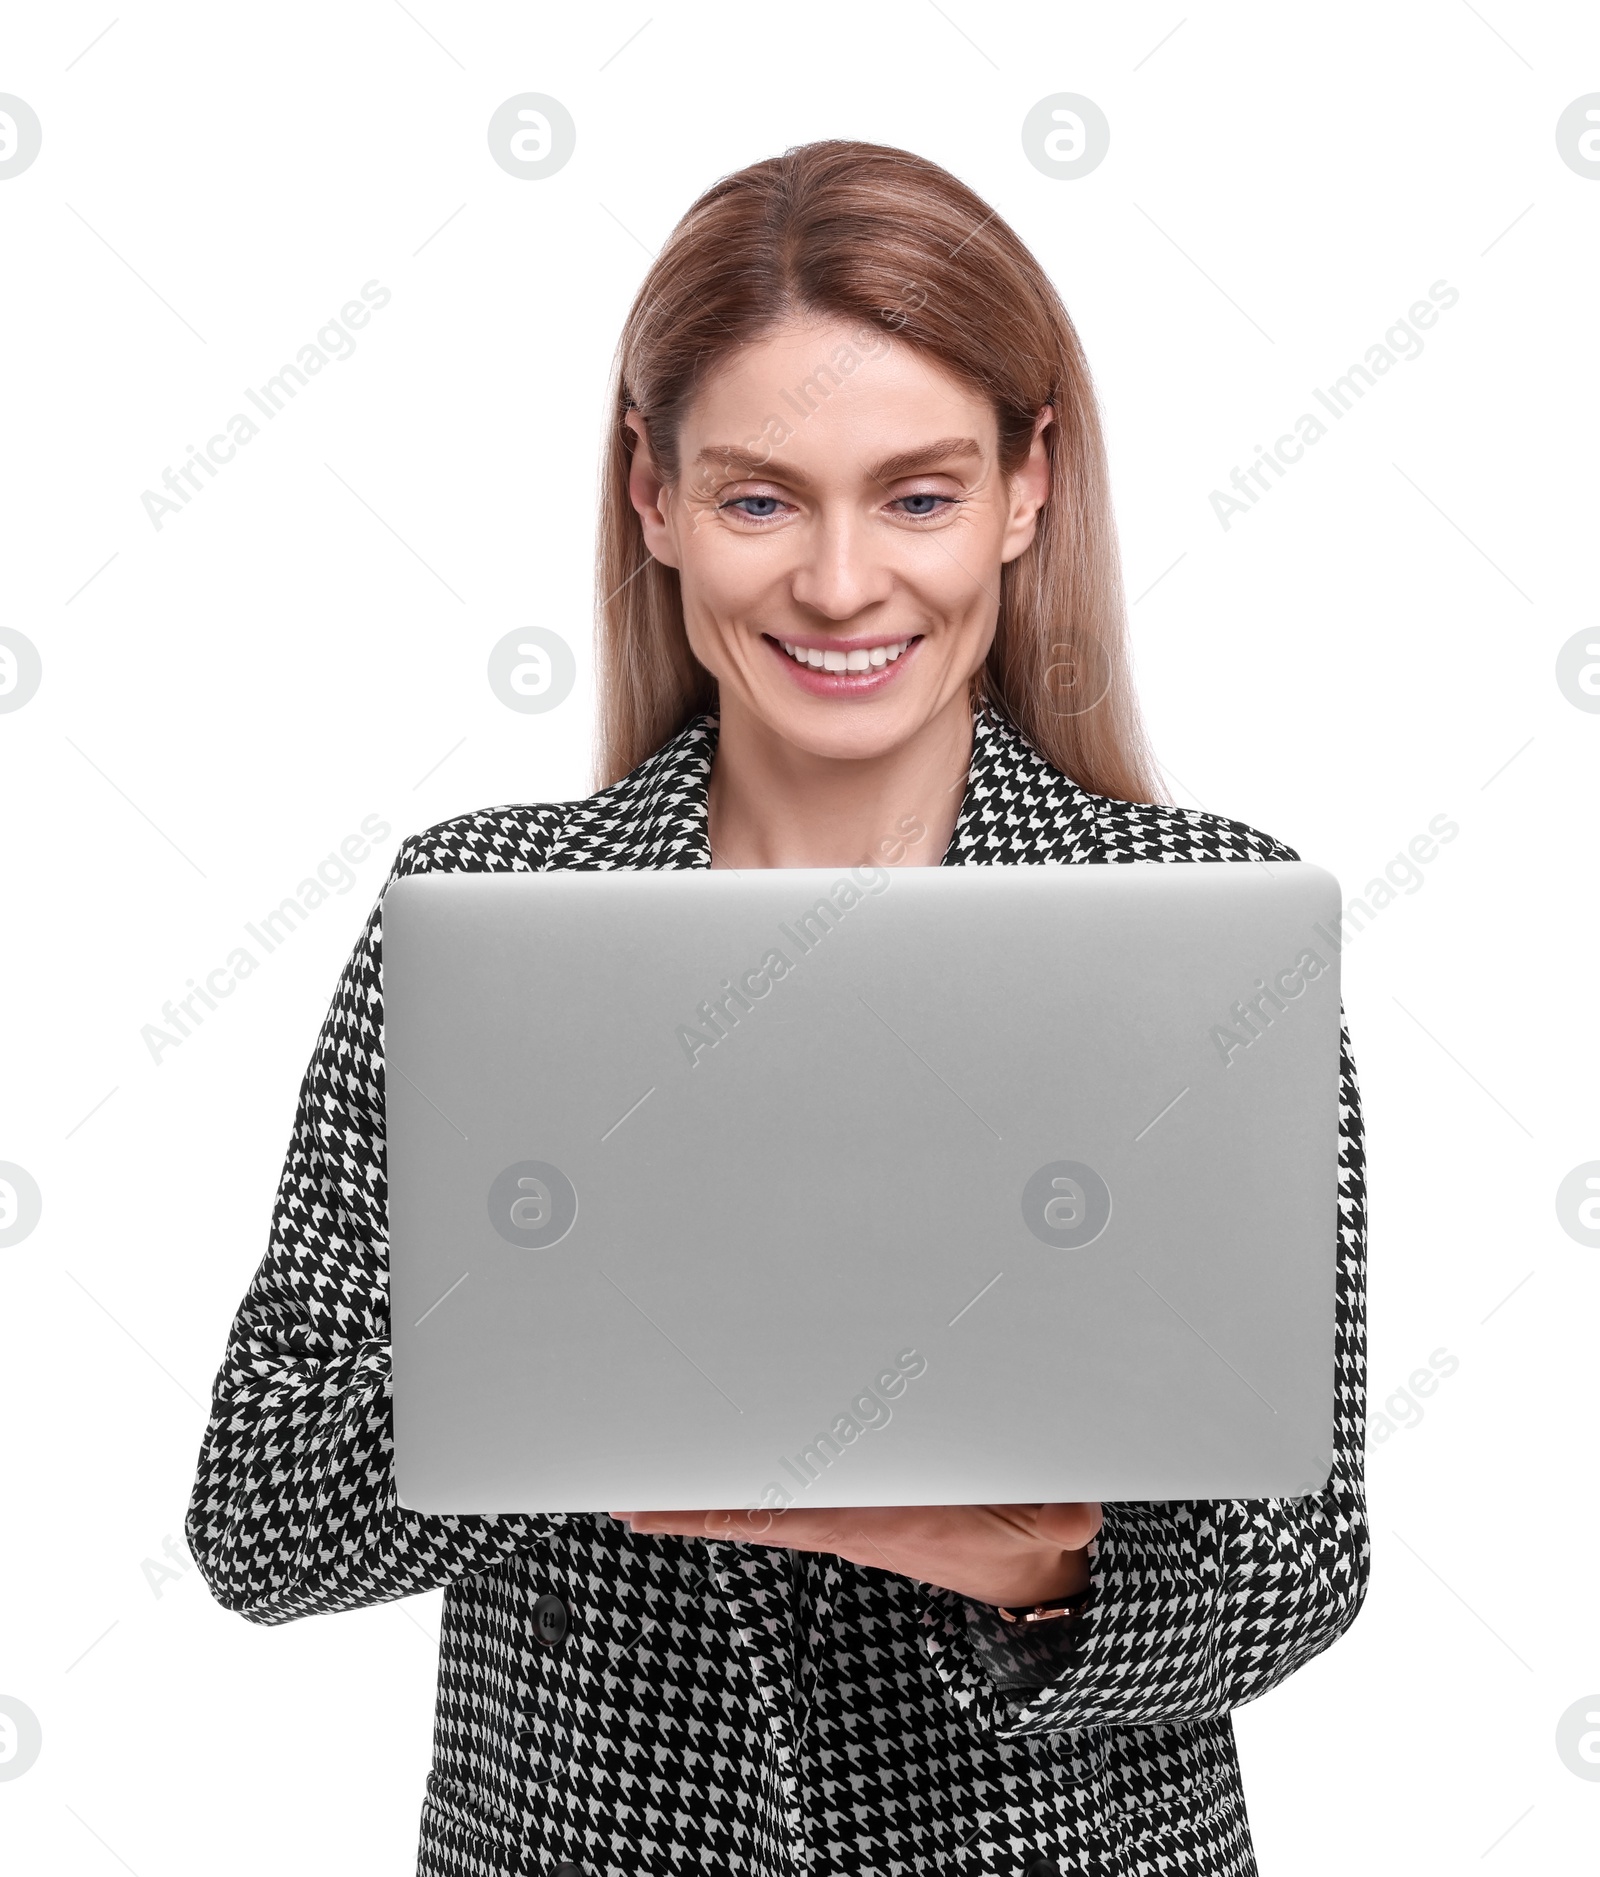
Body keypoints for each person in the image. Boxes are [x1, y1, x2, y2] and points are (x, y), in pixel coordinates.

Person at [187, 140, 1369, 1877]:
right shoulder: (493, 917)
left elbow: (1305, 1557)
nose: (836, 584)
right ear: (653, 496)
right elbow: (259, 1519)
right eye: (758, 499)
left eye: (916, 494)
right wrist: (561, 1354)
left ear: (1028, 489)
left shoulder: (1198, 926)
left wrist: (1048, 1566)